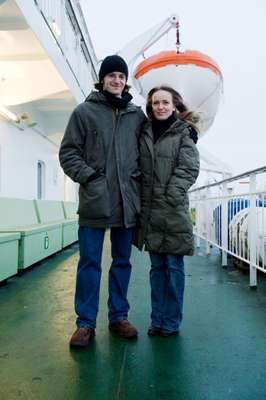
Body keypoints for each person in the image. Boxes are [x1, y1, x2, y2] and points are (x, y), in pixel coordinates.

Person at [59, 55, 146, 347]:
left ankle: (118, 317)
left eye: (121, 76)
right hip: (95, 201)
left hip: (127, 203)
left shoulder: (137, 116)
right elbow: (68, 153)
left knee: (122, 262)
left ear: (125, 81)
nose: (117, 80)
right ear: (103, 79)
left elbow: (155, 141)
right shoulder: (84, 112)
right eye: (112, 75)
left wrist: (187, 130)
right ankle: (85, 324)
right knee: (89, 264)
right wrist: (91, 178)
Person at [134, 86, 200, 337]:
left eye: (165, 102)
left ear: (174, 106)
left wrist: (171, 194)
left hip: (172, 210)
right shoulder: (145, 132)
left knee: (173, 269)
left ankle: (171, 322)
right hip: (150, 212)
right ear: (150, 107)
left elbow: (188, 168)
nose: (160, 107)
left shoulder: (184, 133)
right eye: (155, 103)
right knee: (156, 270)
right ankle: (157, 319)